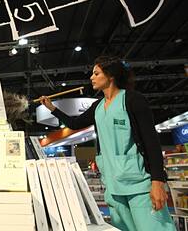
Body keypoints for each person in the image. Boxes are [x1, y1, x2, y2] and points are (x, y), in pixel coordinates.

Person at [39, 56, 175, 231]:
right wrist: (52, 108)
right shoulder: (98, 106)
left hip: (139, 185)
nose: (91, 77)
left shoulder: (133, 100)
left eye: (96, 73)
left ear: (110, 76)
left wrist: (158, 181)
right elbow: (74, 124)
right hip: (112, 186)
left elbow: (151, 142)